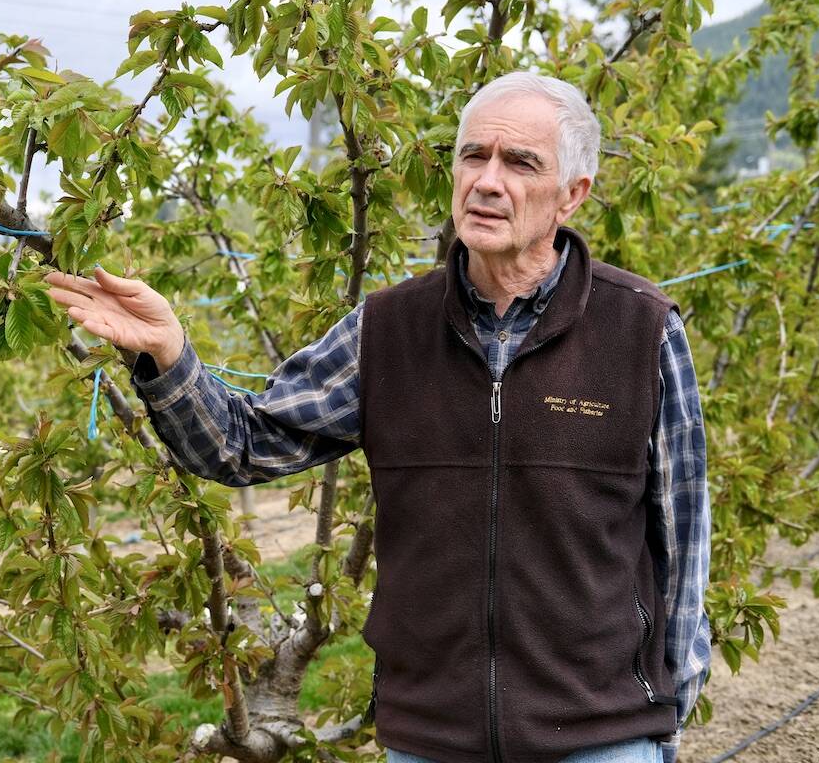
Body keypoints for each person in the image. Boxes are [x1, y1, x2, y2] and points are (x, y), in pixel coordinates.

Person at [44, 71, 711, 763]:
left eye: (520, 163)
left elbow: (682, 533)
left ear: (573, 194)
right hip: (431, 737)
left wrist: (664, 706)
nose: (486, 181)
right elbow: (242, 445)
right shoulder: (387, 331)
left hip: (600, 737)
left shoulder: (641, 330)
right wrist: (169, 352)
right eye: (473, 155)